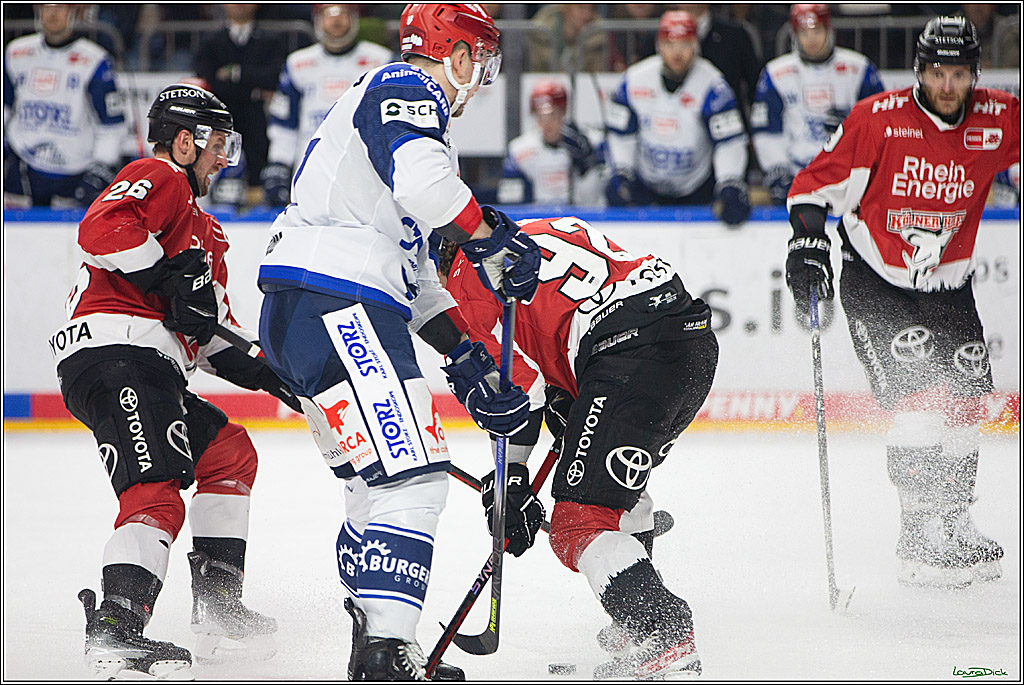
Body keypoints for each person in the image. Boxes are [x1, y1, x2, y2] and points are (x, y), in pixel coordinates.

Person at [255, 4, 542, 680]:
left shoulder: (393, 115)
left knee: (374, 484)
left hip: (314, 306)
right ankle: (387, 653)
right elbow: (427, 186)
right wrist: (490, 238)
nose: (481, 78)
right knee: (413, 475)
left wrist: (467, 359)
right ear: (458, 55)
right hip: (339, 301)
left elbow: (414, 275)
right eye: (480, 60)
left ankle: (375, 643)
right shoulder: (407, 86)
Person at [51, 84, 299, 679]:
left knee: (229, 453)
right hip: (117, 355)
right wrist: (164, 277)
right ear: (184, 142)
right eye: (218, 146)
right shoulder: (160, 176)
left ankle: (218, 606)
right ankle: (116, 628)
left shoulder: (205, 233)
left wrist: (283, 378)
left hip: (148, 366)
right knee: (155, 492)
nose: (224, 160)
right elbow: (101, 230)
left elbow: (210, 335)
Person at [785, 16, 1019, 589]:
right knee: (921, 403)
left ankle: (953, 520)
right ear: (918, 71)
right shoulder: (877, 119)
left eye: (958, 74)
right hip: (877, 279)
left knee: (966, 403)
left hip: (950, 286)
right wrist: (807, 244)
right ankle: (917, 533)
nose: (947, 86)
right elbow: (812, 186)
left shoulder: (999, 118)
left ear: (976, 74)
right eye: (936, 73)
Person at [435, 214, 718, 680]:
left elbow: (513, 389)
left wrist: (511, 478)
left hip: (628, 356)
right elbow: (566, 317)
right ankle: (634, 625)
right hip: (690, 344)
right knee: (614, 492)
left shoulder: (469, 269)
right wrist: (570, 396)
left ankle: (663, 634)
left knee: (578, 522)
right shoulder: (533, 228)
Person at [604, 10, 750, 226]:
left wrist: (729, 181)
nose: (677, 53)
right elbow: (620, 135)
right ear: (659, 45)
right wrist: (621, 171)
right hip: (646, 187)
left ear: (696, 45)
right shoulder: (634, 80)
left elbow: (729, 142)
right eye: (670, 44)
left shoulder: (713, 86)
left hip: (697, 189)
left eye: (685, 44)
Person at [752, 3, 885, 205]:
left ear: (829, 30)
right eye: (804, 32)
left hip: (849, 176)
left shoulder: (859, 68)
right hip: (796, 174)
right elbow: (767, 131)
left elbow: (882, 124)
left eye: (817, 31)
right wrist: (778, 169)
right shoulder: (775, 73)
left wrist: (852, 128)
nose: (811, 39)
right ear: (794, 34)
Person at [263, 4, 393, 206]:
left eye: (343, 13)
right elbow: (284, 123)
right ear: (317, 20)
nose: (336, 20)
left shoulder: (380, 61)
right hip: (312, 168)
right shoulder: (297, 63)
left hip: (364, 169)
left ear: (354, 19)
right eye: (329, 14)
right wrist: (279, 163)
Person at [3, 3, 126, 208]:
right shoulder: (15, 52)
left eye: (60, 7)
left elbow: (112, 124)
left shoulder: (95, 60)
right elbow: (5, 107)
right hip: (22, 170)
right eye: (46, 7)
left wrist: (101, 167)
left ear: (74, 11)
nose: (52, 14)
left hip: (75, 173)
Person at [194, 4, 288, 200]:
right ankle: (214, 203)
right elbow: (207, 75)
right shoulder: (211, 40)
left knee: (259, 161)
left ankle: (258, 205)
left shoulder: (271, 40)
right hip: (221, 114)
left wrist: (236, 73)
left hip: (257, 113)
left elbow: (273, 76)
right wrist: (252, 86)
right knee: (216, 157)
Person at [497, 80, 605, 205]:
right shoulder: (519, 150)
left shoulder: (587, 143)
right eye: (540, 116)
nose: (547, 123)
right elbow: (511, 201)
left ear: (563, 113)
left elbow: (595, 201)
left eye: (553, 115)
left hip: (576, 214)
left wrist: (587, 164)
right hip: (536, 214)